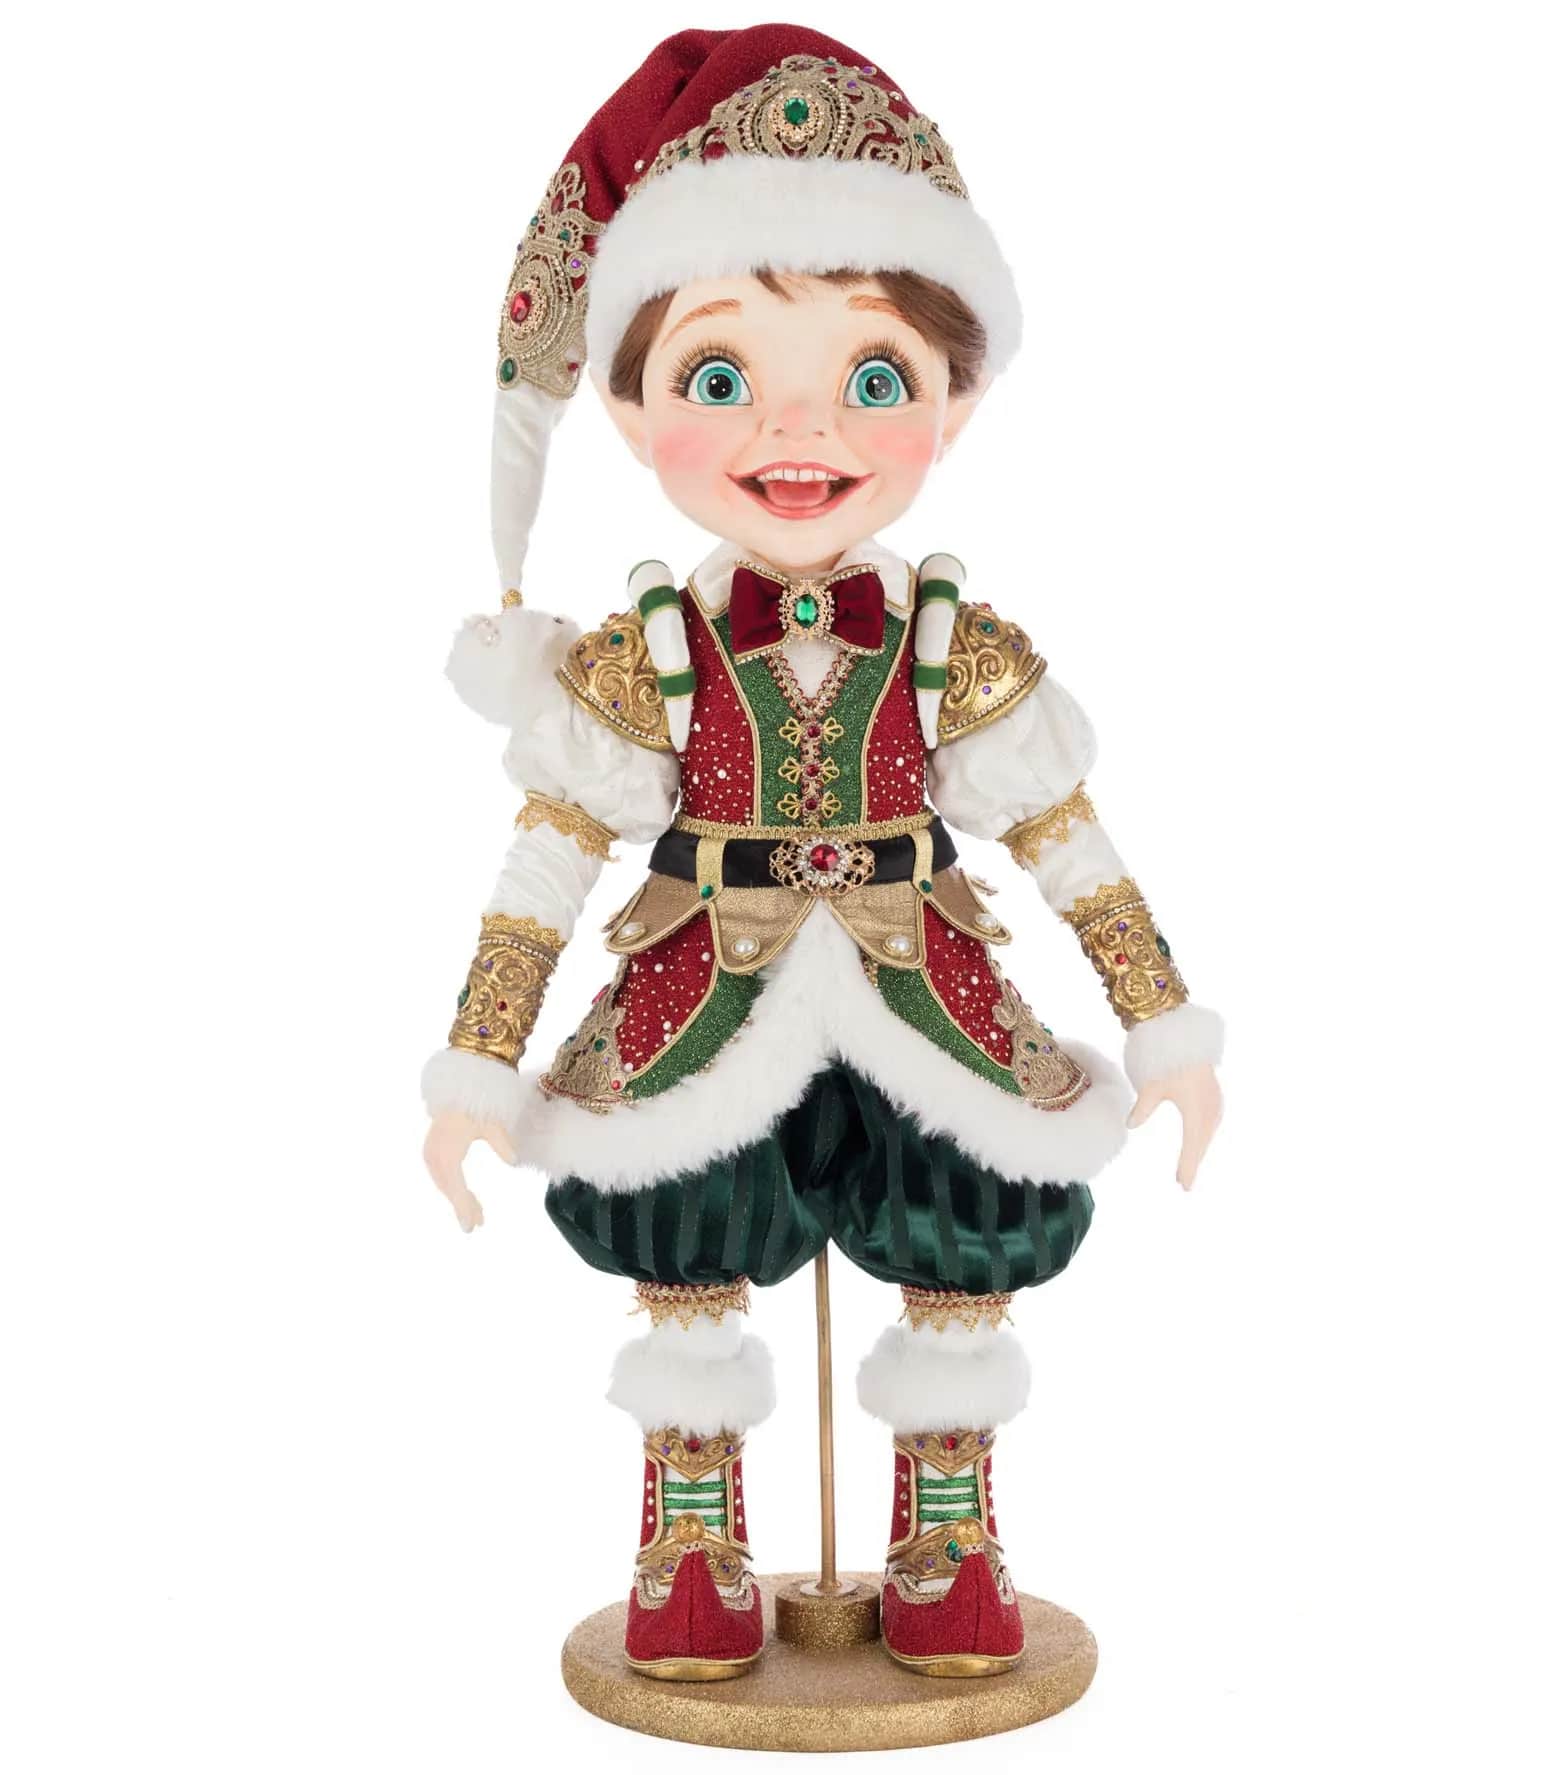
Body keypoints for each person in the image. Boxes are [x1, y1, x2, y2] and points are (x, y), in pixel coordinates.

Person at [421, 25, 1224, 1682]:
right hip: (696, 995)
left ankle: (947, 1529)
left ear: (954, 400)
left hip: (925, 987)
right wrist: (477, 1063)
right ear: (633, 408)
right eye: (720, 381)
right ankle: (690, 1531)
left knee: (967, 1217)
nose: (798, 432)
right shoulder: (645, 660)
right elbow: (547, 860)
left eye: (870, 379)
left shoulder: (951, 648)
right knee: (684, 1234)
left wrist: (1162, 1027)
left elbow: (1067, 841)